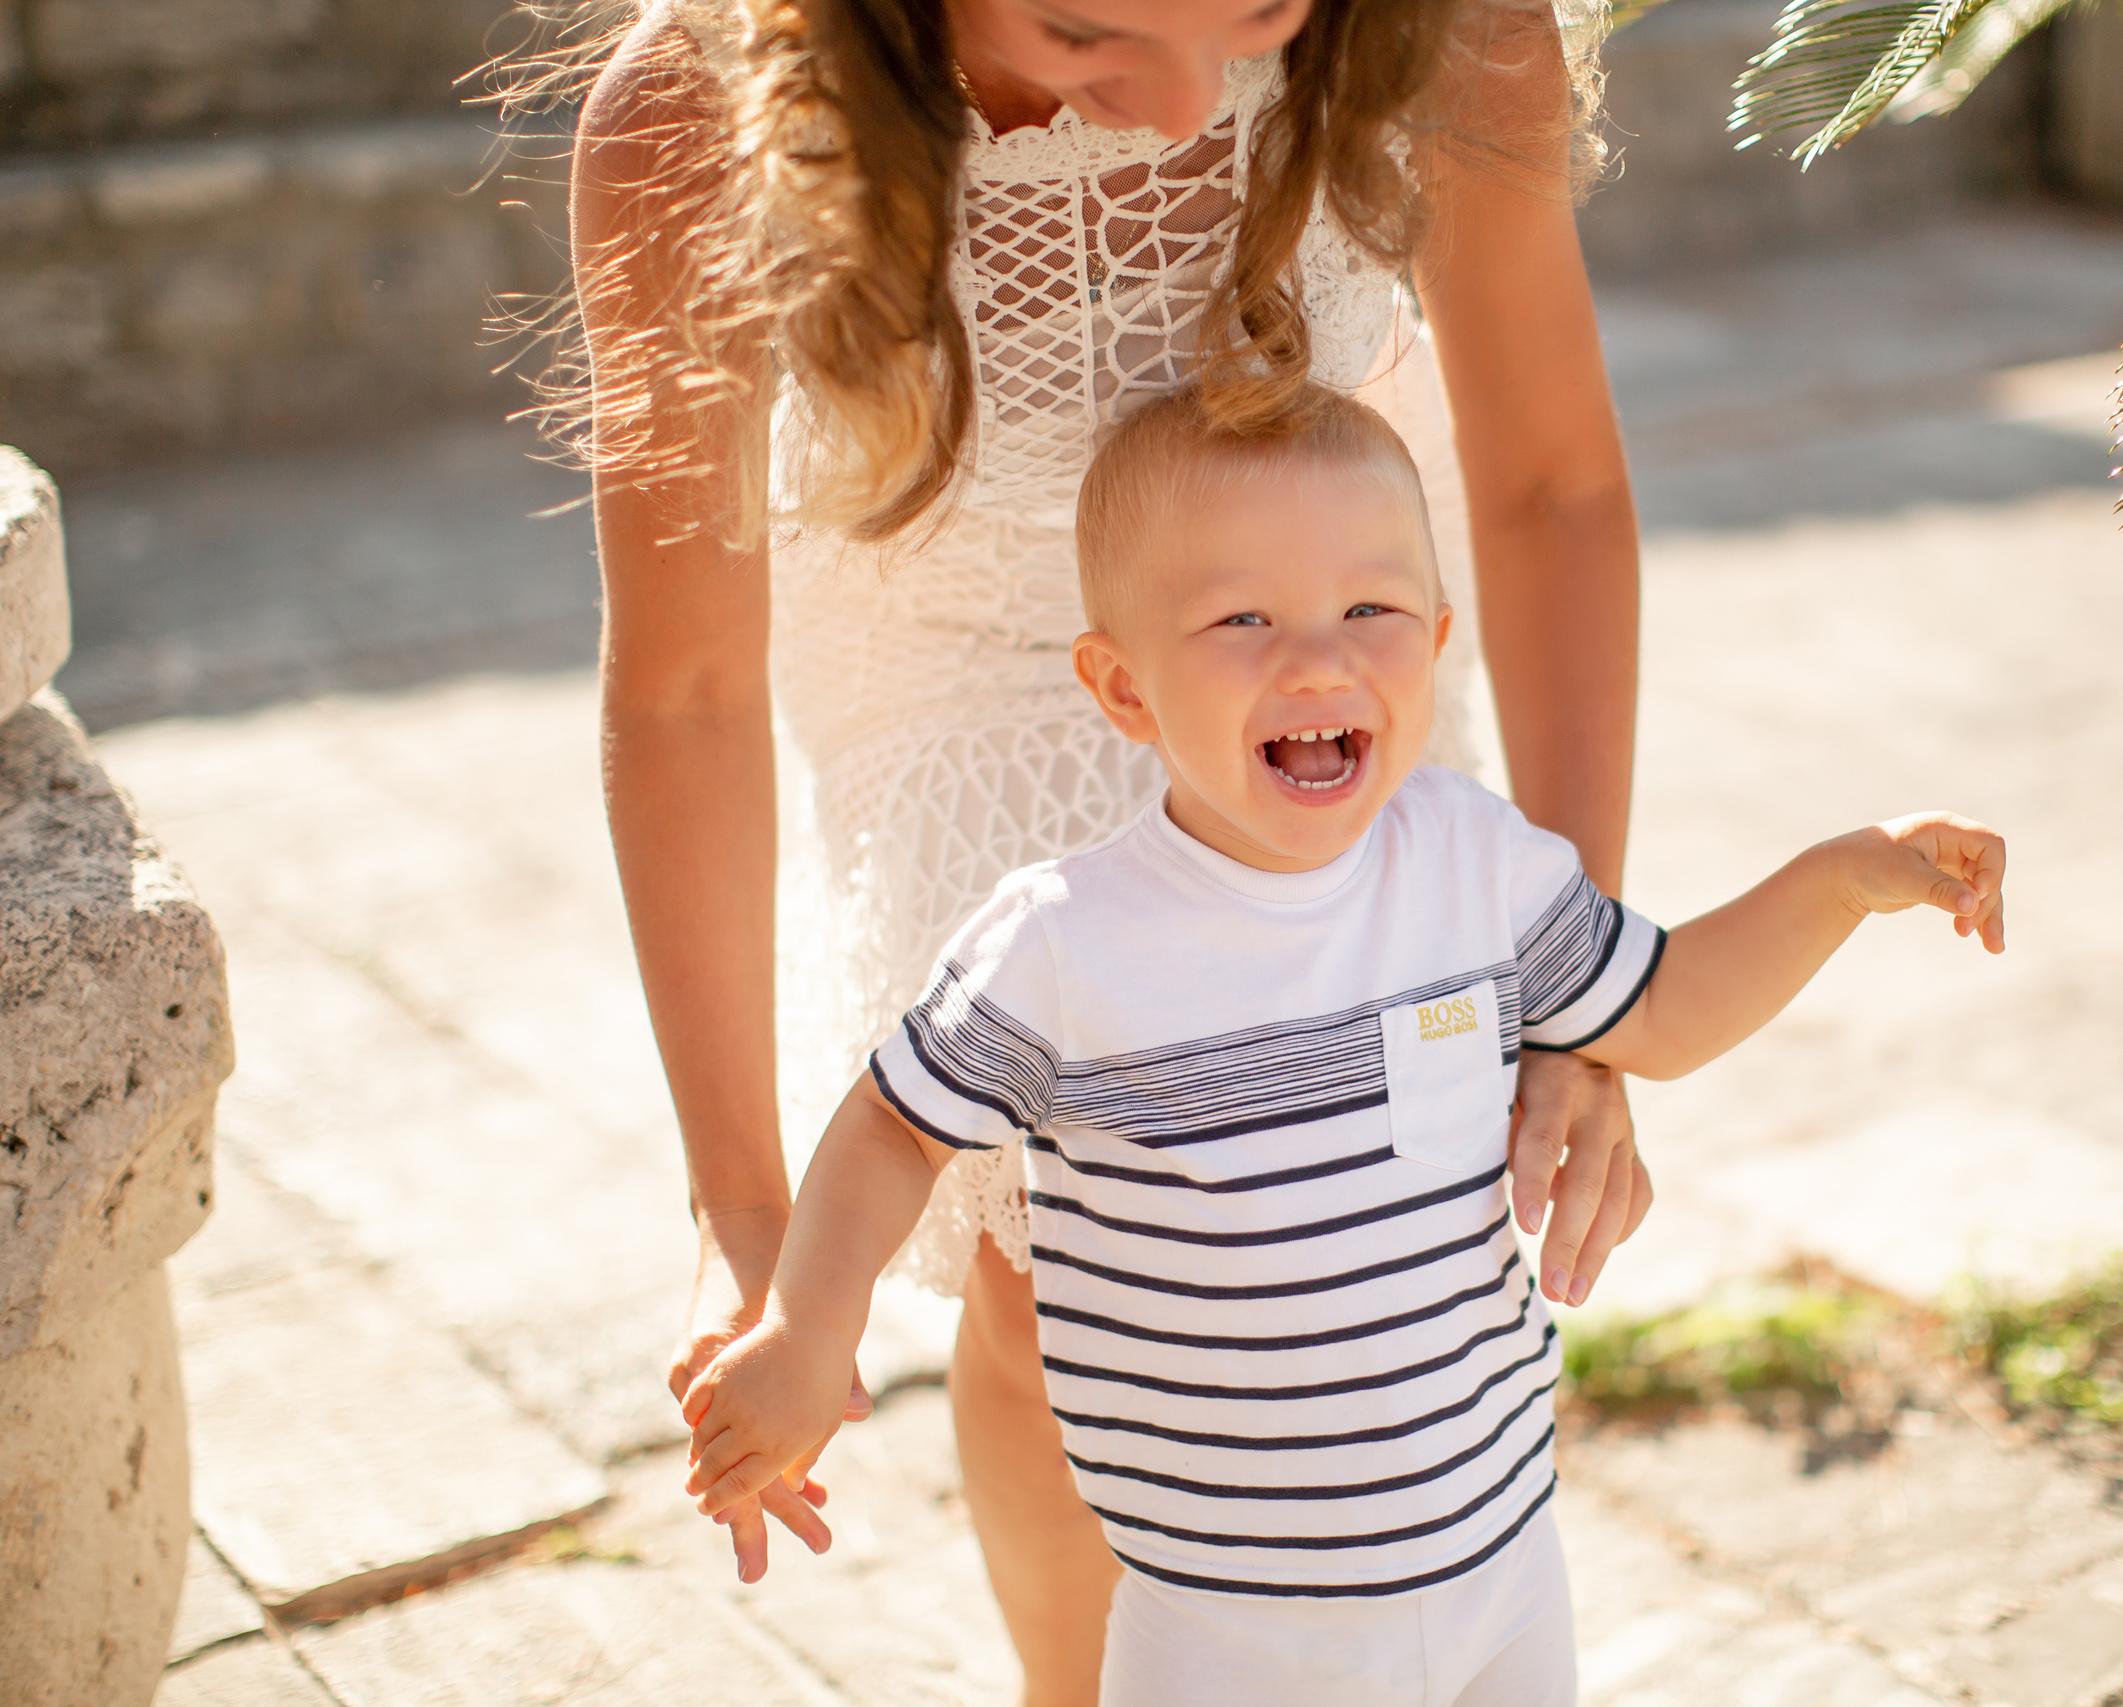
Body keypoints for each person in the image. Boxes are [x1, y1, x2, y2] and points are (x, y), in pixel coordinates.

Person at [560, 0, 1652, 1696]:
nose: (1176, 104)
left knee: (1338, 1222)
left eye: (1261, 15)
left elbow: (1553, 491)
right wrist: (744, 1206)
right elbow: (690, 685)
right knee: (1055, 1258)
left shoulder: (1438, 25)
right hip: (959, 669)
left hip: (1308, 638)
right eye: (1083, 29)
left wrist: (1582, 996)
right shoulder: (689, 115)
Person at [676, 386, 2008, 1706]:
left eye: (1369, 611)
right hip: (1229, 1626)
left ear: (1434, 641)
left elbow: (1662, 1011)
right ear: (1122, 686)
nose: (1317, 661)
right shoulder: (1064, 946)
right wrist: (805, 1322)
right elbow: (897, 1124)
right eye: (1242, 618)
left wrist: (1846, 878)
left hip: (1499, 1565)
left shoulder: (1478, 868)